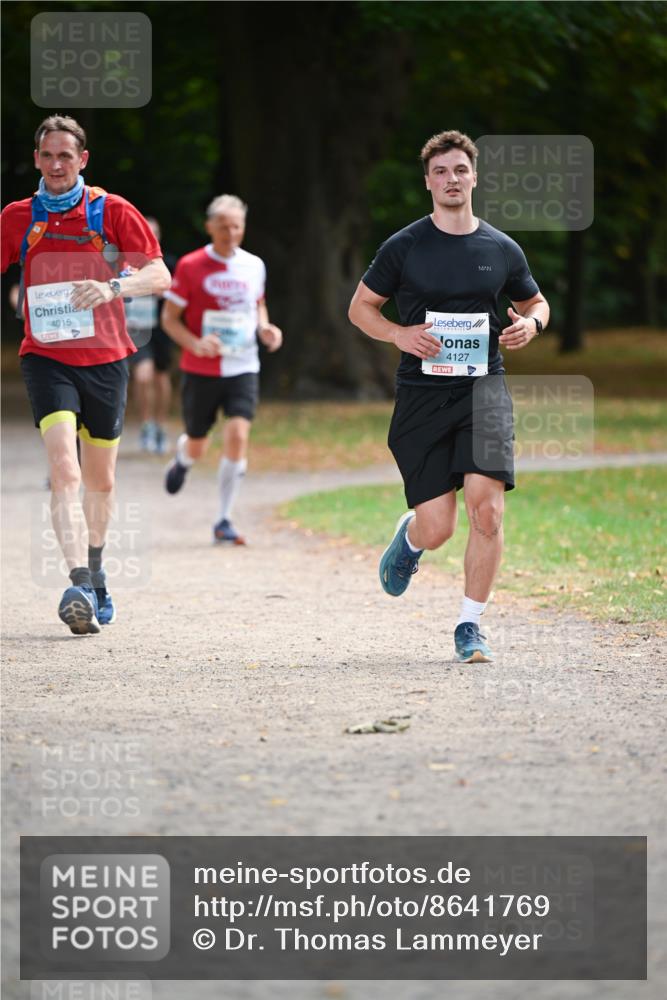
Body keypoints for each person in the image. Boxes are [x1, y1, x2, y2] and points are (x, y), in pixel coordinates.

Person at [348, 130, 550, 663]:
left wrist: (531, 326)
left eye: (460, 170)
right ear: (428, 182)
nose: (451, 179)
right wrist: (398, 334)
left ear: (474, 176)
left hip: (484, 391)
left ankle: (469, 626)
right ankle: (411, 540)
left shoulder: (501, 247)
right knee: (439, 527)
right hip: (421, 395)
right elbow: (361, 308)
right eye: (441, 172)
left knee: (487, 513)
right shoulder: (405, 246)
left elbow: (537, 303)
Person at [1, 115, 171, 634]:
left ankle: (96, 571)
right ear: (36, 159)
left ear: (82, 161)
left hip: (106, 360)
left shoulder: (110, 211)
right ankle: (75, 582)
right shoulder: (17, 216)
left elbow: (159, 273)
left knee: (101, 481)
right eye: (47, 155)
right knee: (65, 471)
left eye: (65, 157)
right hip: (45, 357)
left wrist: (114, 288)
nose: (56, 165)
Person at [161, 194, 282, 544]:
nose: (231, 233)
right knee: (199, 442)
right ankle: (184, 459)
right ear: (209, 227)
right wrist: (194, 343)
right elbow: (169, 319)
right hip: (201, 368)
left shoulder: (254, 265)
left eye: (237, 226)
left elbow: (257, 304)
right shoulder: (190, 265)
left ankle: (224, 519)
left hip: (243, 365)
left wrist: (265, 328)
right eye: (224, 226)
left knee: (238, 435)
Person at [126, 217, 177, 454]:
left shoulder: (169, 263)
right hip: (137, 328)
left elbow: (180, 294)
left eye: (155, 232)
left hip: (162, 328)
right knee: (143, 376)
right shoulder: (127, 263)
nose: (152, 236)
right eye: (148, 232)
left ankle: (160, 425)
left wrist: (165, 293)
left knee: (161, 377)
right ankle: (146, 424)